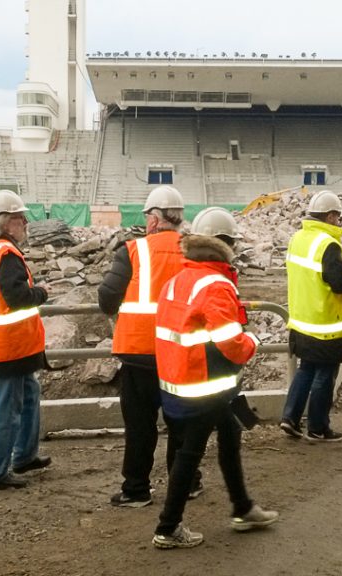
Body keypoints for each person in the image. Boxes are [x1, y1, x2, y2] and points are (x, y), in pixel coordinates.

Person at [152, 207, 278, 549]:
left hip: (182, 384)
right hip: (206, 387)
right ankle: (168, 528)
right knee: (190, 454)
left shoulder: (178, 279)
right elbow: (233, 346)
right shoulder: (215, 284)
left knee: (228, 437)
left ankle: (243, 508)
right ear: (225, 244)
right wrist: (254, 341)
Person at [98, 185, 199, 507]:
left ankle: (136, 490)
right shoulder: (194, 252)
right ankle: (186, 484)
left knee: (140, 426)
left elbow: (106, 299)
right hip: (181, 352)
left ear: (154, 220)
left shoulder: (133, 251)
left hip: (139, 352)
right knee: (181, 422)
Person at [0, 190, 52, 490]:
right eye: (21, 218)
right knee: (7, 409)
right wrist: (42, 292)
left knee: (29, 394)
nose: (26, 223)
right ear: (7, 223)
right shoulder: (6, 254)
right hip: (10, 345)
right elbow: (18, 297)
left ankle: (24, 456)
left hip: (6, 343)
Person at [280, 190, 342, 442]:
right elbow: (338, 282)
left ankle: (290, 418)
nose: (339, 222)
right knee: (325, 376)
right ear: (330, 215)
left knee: (306, 370)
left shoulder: (297, 238)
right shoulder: (328, 244)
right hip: (327, 324)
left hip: (302, 321)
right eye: (338, 217)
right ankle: (318, 427)